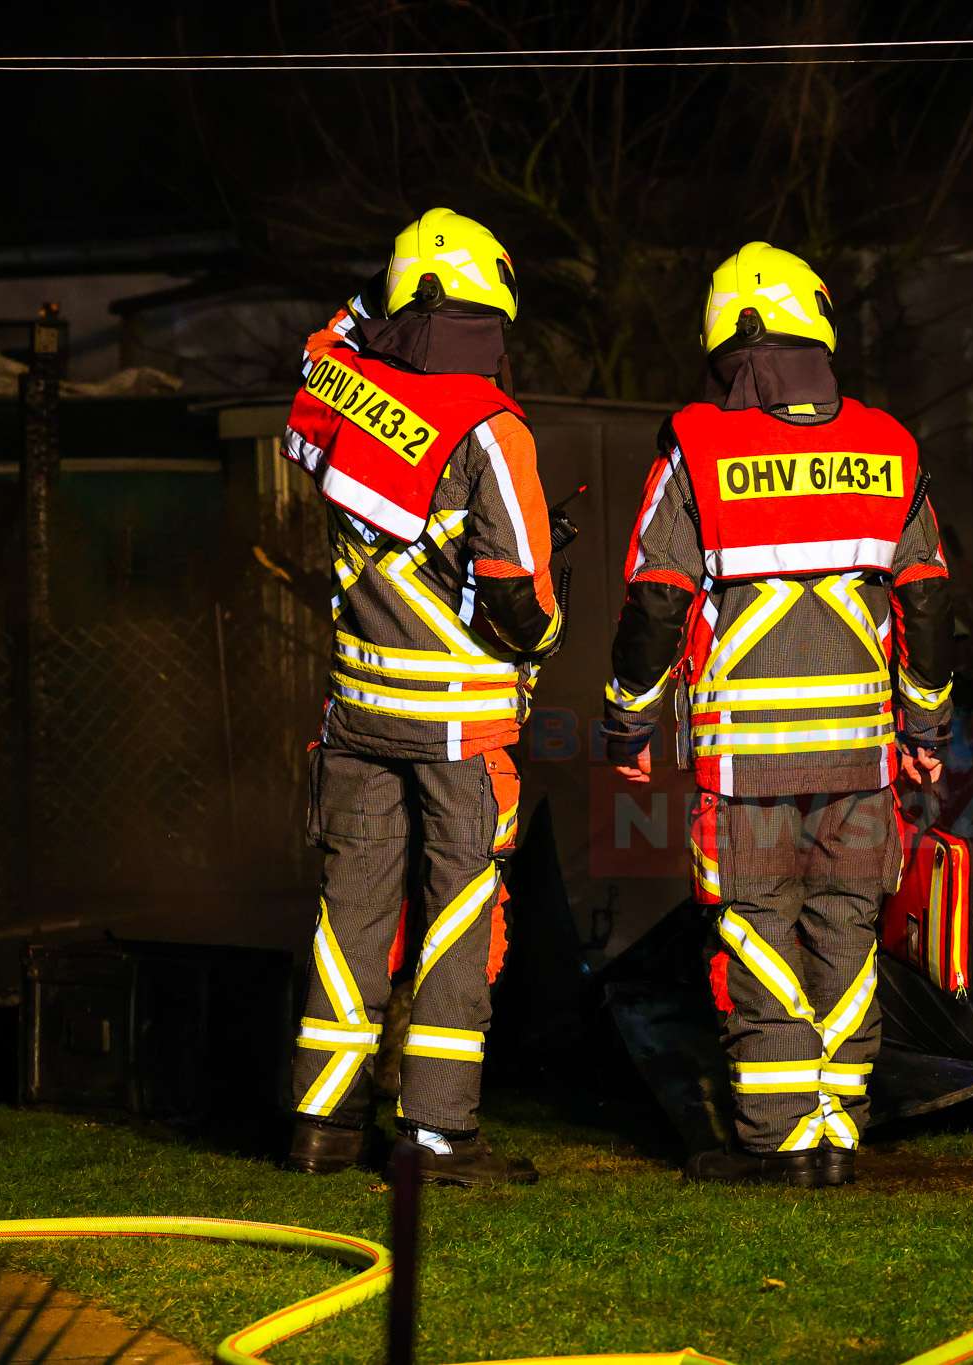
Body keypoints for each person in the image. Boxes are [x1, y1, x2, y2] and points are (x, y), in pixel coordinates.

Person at [601, 242, 954, 1188]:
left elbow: (656, 601)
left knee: (758, 930)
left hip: (745, 761)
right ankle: (838, 1128)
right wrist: (926, 729)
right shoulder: (889, 444)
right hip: (861, 757)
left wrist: (628, 725)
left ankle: (777, 1136)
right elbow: (926, 601)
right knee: (847, 928)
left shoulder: (697, 447)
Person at [280, 208, 563, 1186]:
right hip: (458, 726)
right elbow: (521, 596)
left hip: (356, 714)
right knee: (457, 918)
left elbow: (324, 341)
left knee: (351, 910)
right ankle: (438, 1134)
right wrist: (546, 635)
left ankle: (320, 1126)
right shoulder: (492, 429)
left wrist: (383, 297)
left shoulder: (338, 387)